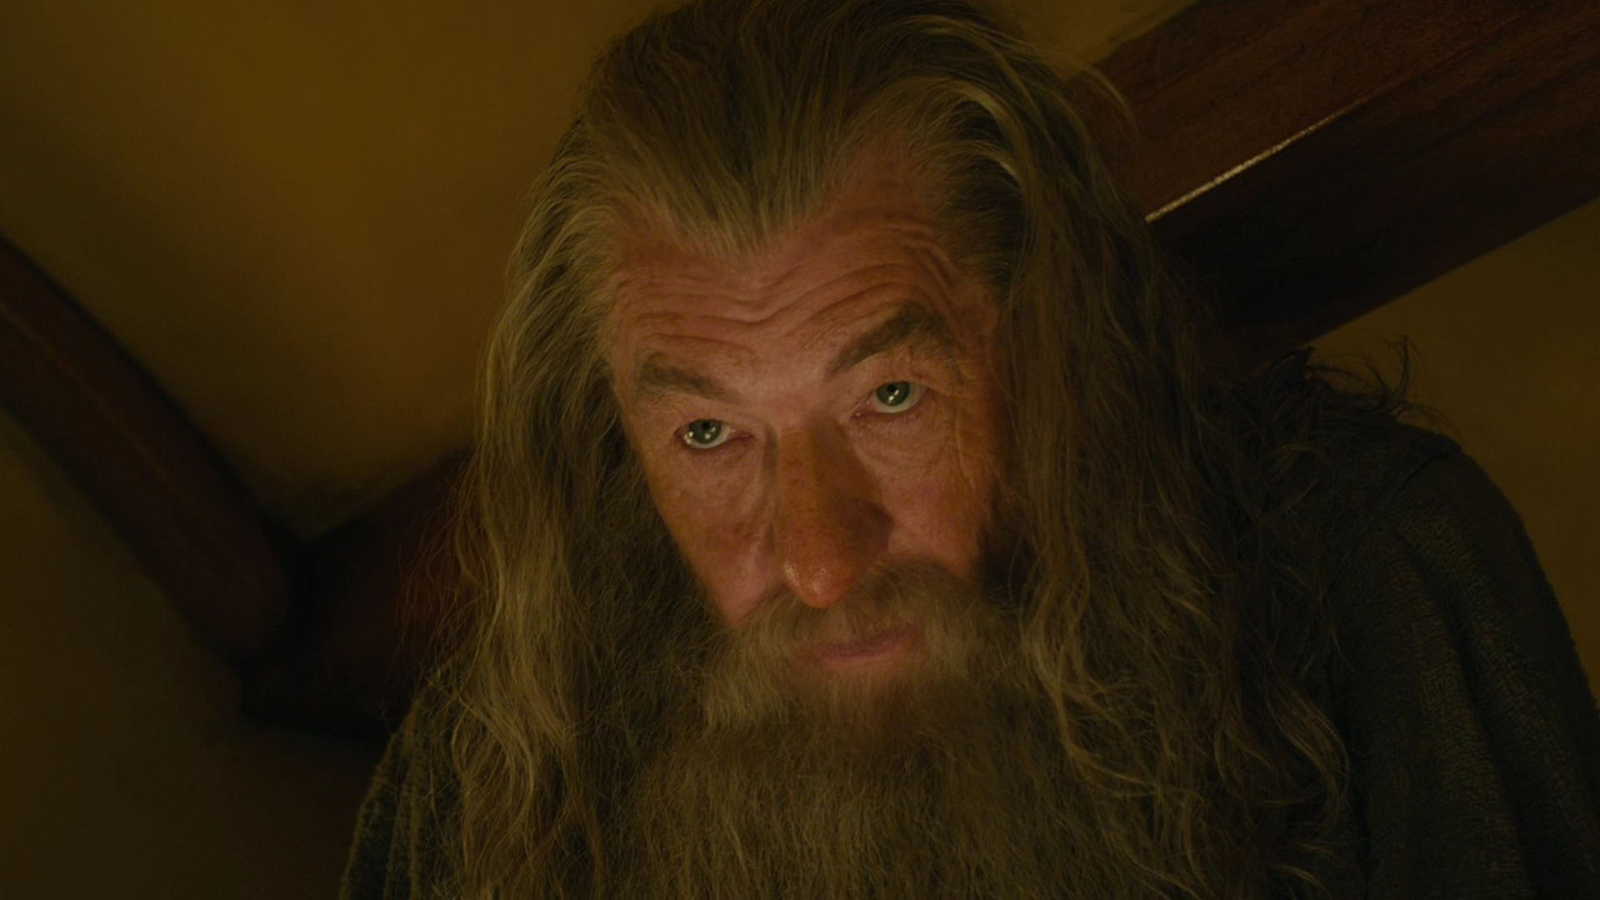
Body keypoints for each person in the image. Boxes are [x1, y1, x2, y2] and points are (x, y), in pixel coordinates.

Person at [340, 0, 1600, 896]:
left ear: (1055, 348)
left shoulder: (1375, 574)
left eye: (891, 396)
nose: (820, 563)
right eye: (708, 432)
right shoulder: (485, 782)